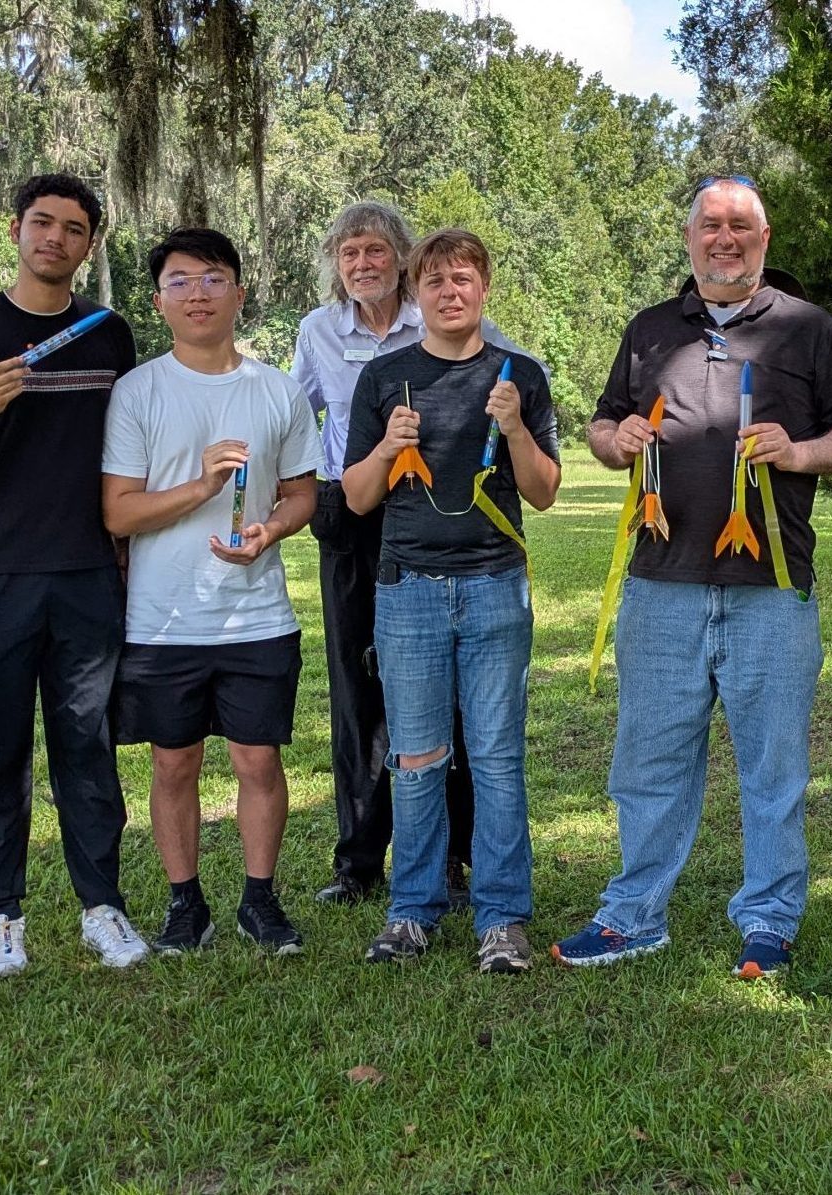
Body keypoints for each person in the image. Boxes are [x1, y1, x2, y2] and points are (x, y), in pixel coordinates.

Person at [554, 175, 832, 979]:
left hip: (770, 588)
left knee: (773, 767)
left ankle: (768, 920)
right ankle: (632, 916)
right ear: (689, 238)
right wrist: (613, 441)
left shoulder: (807, 328)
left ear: (763, 240)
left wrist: (798, 452)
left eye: (740, 225)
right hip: (659, 584)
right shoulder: (649, 328)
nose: (724, 238)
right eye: (710, 224)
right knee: (647, 763)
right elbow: (601, 424)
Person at [0, 174, 149, 976]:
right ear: (15, 228)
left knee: (88, 746)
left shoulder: (108, 333)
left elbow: (126, 453)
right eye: (42, 222)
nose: (55, 237)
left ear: (89, 244)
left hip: (87, 571)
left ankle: (102, 905)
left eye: (73, 228)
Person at [291, 201, 526, 906]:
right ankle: (359, 859)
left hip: (427, 509)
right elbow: (295, 414)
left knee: (444, 692)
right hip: (350, 504)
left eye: (374, 250)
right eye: (348, 253)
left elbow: (510, 373)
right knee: (356, 689)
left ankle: (452, 855)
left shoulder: (437, 311)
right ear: (336, 265)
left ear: (401, 259)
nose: (362, 264)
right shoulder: (317, 330)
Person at [341, 229, 559, 972]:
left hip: (496, 585)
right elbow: (357, 497)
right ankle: (412, 909)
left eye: (462, 278)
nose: (449, 291)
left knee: (496, 758)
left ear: (484, 287)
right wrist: (385, 446)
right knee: (417, 758)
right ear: (416, 293)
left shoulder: (518, 376)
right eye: (433, 280)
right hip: (408, 592)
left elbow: (544, 491)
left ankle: (502, 918)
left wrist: (515, 426)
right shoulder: (386, 378)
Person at [101, 228, 321, 956]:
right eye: (180, 281)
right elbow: (118, 512)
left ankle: (260, 900)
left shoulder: (277, 390)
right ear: (158, 300)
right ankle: (184, 904)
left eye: (213, 279)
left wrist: (270, 531)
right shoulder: (137, 391)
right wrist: (201, 487)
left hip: (256, 614)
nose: (198, 294)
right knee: (174, 763)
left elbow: (301, 493)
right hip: (163, 619)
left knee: (258, 761)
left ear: (239, 294)